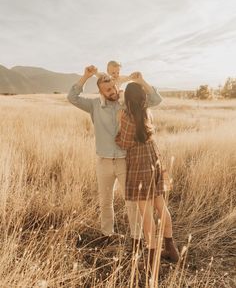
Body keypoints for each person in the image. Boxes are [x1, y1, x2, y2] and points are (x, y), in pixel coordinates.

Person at [67, 65, 163, 248]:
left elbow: (156, 99)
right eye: (108, 90)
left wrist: (141, 80)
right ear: (101, 92)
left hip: (125, 160)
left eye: (113, 87)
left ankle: (136, 238)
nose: (112, 92)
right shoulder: (94, 105)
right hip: (103, 161)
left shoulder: (127, 103)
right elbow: (72, 97)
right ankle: (107, 234)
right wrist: (85, 77)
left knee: (132, 202)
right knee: (105, 201)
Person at [115, 82, 179, 272]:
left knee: (146, 213)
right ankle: (171, 250)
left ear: (127, 98)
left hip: (138, 162)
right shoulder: (147, 111)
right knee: (160, 205)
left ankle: (152, 260)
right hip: (153, 157)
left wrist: (116, 137)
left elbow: (125, 143)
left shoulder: (126, 115)